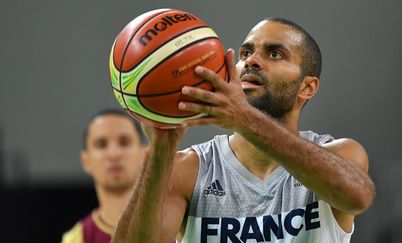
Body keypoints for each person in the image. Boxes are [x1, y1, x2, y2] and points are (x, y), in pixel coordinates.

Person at [111, 17, 376, 243]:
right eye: (246, 53)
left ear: (307, 87)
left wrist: (245, 120)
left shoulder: (341, 153)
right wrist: (161, 149)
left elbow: (358, 196)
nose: (252, 61)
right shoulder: (188, 170)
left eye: (274, 54)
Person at [61, 109, 146, 243]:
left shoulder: (177, 224)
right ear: (86, 161)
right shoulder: (77, 238)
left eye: (124, 142)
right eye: (101, 145)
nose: (114, 154)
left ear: (144, 155)